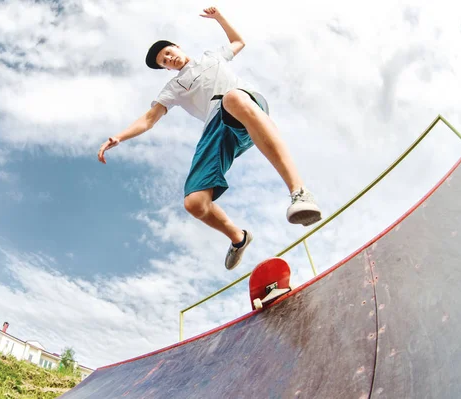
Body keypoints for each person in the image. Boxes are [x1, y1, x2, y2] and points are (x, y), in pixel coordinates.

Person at [98, 6, 322, 271]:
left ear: (177, 47)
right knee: (194, 202)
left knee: (233, 97)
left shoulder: (210, 57)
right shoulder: (173, 88)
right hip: (216, 127)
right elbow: (149, 119)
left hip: (245, 105)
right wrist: (119, 137)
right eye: (164, 62)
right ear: (165, 69)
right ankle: (238, 238)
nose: (170, 59)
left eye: (169, 53)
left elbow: (239, 42)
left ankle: (300, 193)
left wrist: (219, 19)